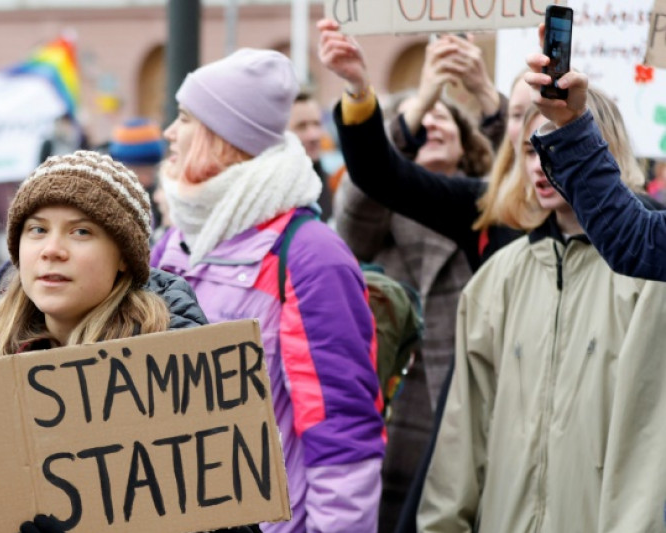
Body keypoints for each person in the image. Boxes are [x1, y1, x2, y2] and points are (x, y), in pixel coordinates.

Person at [151, 48, 385, 532]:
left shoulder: (310, 257)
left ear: (225, 138)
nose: (170, 133)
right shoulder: (174, 244)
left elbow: (341, 434)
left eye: (184, 119)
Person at [0, 150, 255, 533]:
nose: (52, 249)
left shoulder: (177, 372)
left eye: (81, 231)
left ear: (122, 256)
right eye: (37, 229)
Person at [418, 88, 666, 531]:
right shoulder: (494, 283)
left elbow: (647, 442)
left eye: (553, 147)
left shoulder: (648, 284)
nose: (540, 165)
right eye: (530, 151)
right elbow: (461, 440)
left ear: (599, 156)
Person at [334, 85, 492, 532]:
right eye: (421, 117)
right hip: (397, 411)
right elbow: (358, 194)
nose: (431, 122)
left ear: (467, 140)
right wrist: (406, 120)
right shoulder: (376, 216)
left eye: (444, 117)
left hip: (470, 403)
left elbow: (520, 170)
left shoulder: (490, 208)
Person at [524, 39, 666, 281]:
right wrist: (570, 125)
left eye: (549, 153)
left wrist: (572, 129)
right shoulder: (509, 267)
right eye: (531, 151)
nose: (540, 166)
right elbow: (636, 241)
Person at [108, 117, 166, 227]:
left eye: (150, 170)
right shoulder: (105, 199)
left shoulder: (159, 198)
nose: (146, 179)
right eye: (138, 171)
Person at [287, 92, 333, 220]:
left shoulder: (334, 183)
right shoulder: (277, 193)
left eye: (317, 124)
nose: (313, 135)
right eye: (301, 126)